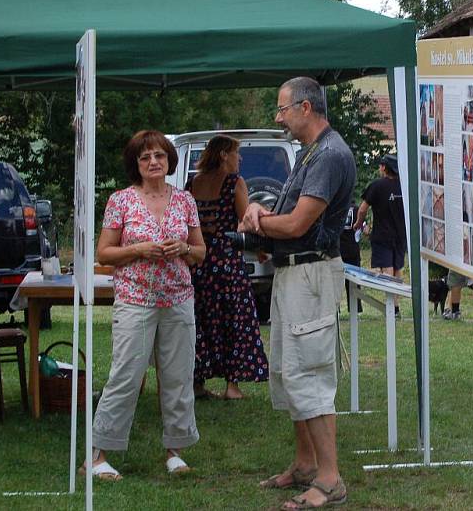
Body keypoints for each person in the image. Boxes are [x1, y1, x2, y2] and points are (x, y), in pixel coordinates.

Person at [242, 77, 354, 509]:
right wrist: (258, 210)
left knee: (311, 374)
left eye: (282, 109)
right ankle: (306, 465)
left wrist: (255, 222)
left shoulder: (329, 154)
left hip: (311, 276)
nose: (278, 116)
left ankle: (330, 480)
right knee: (291, 373)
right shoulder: (312, 152)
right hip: (294, 274)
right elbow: (286, 214)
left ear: (306, 108)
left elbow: (295, 225)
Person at [84, 130, 206, 480]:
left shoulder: (184, 200)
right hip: (135, 299)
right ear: (135, 164)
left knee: (179, 376)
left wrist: (183, 249)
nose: (153, 162)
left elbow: (200, 251)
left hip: (179, 299)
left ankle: (175, 451)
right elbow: (104, 254)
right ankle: (97, 454)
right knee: (125, 375)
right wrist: (137, 250)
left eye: (159, 156)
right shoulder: (120, 200)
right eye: (145, 157)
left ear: (169, 161)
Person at [186, 134, 268, 400]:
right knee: (234, 319)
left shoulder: (192, 184)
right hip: (226, 261)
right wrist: (261, 250)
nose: (239, 159)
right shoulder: (234, 183)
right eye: (236, 153)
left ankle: (197, 383)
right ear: (224, 154)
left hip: (198, 261)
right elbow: (245, 223)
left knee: (201, 321)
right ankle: (232, 386)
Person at [355, 154, 406, 317]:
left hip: (382, 234)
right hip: (401, 234)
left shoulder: (377, 186)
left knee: (387, 269)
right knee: (398, 267)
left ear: (384, 167)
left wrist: (358, 224)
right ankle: (396, 307)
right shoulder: (404, 186)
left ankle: (391, 307)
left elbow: (362, 209)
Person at [339, 201, 363, 313]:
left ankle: (335, 311)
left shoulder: (336, 206)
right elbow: (364, 228)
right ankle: (355, 310)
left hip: (337, 250)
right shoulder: (357, 210)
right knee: (354, 283)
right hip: (352, 250)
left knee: (334, 284)